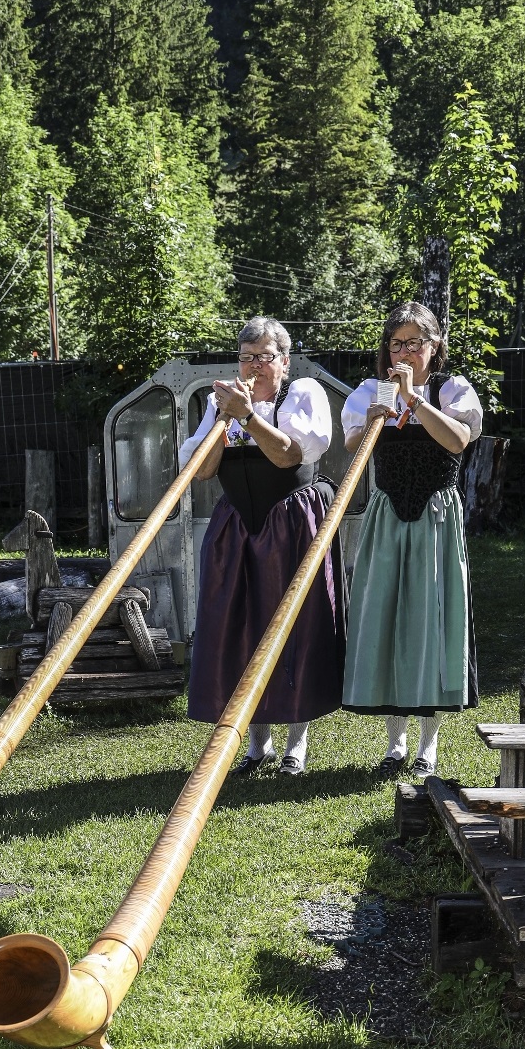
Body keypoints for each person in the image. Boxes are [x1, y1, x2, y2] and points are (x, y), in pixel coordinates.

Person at [181, 317, 342, 775]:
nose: (254, 366)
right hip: (238, 523)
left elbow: (290, 454)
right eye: (246, 356)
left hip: (290, 520)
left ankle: (297, 742)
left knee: (296, 623)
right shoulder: (222, 404)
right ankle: (257, 743)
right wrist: (225, 417)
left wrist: (248, 417)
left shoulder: (303, 394)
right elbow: (204, 470)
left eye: (264, 357)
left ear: (284, 362)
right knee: (240, 624)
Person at [340, 300, 483, 776]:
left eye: (413, 344)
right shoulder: (369, 391)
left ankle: (428, 746)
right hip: (387, 514)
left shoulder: (450, 391)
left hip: (435, 516)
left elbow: (458, 441)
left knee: (430, 619)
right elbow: (351, 448)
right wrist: (374, 420)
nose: (402, 353)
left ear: (434, 346)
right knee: (386, 615)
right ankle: (394, 743)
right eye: (395, 343)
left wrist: (415, 400)